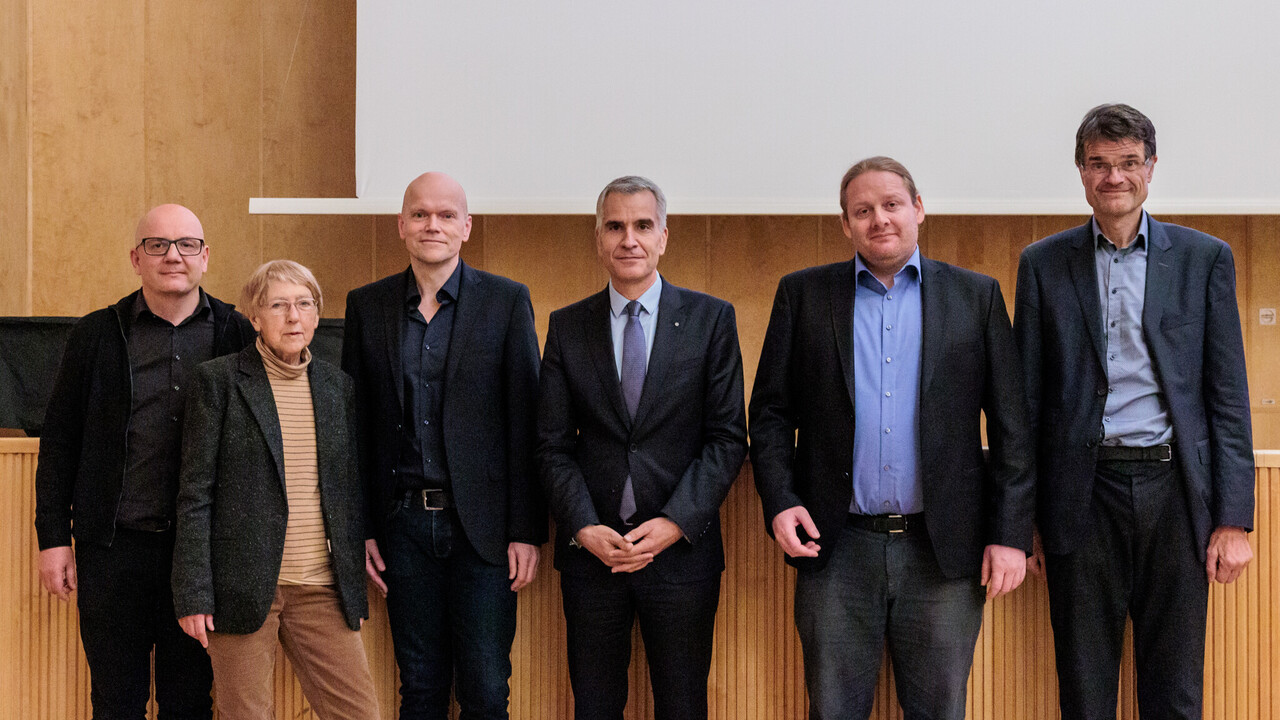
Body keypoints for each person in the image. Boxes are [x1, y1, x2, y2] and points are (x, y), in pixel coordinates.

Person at [749, 157, 1034, 720]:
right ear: (845, 224)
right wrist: (780, 502)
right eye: (863, 210)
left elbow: (1011, 429)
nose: (879, 219)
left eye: (891, 205)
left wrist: (1010, 535)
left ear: (918, 209)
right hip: (835, 547)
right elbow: (771, 414)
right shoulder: (802, 296)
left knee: (939, 711)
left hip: (943, 552)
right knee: (833, 710)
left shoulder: (975, 297)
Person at [1014, 103, 1254, 719]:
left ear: (1151, 167)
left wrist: (1233, 520)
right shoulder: (1042, 264)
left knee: (1174, 688)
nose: (1113, 177)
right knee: (1085, 688)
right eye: (1099, 164)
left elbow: (1226, 397)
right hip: (1081, 495)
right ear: (1080, 170)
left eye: (1127, 163)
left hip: (1176, 493)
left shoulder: (1205, 259)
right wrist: (1024, 523)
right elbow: (1027, 405)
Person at [537, 175, 748, 720]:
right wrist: (583, 528)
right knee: (595, 706)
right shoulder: (566, 326)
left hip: (680, 554)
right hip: (593, 554)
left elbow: (727, 438)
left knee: (682, 705)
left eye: (642, 225)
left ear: (663, 237)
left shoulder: (711, 319)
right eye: (615, 226)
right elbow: (552, 445)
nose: (628, 238)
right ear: (598, 238)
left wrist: (675, 522)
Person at [33, 204, 255, 718]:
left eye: (186, 244)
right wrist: (52, 539)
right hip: (113, 550)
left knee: (190, 699)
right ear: (136, 258)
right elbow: (60, 442)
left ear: (206, 256)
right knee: (116, 699)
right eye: (157, 245)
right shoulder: (95, 335)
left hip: (200, 556)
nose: (172, 255)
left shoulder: (237, 334)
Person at [342, 172, 545, 719]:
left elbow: (527, 421)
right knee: (421, 688)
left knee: (485, 689)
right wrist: (360, 526)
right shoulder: (368, 306)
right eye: (421, 214)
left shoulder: (506, 302)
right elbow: (354, 429)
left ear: (466, 228)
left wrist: (527, 529)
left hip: (483, 532)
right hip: (402, 528)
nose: (433, 224)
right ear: (401, 225)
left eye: (447, 215)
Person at [172, 260, 378, 720]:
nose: (293, 317)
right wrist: (193, 593)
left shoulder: (336, 387)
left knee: (359, 713)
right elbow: (195, 495)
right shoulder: (218, 382)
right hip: (241, 587)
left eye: (304, 304)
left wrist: (353, 590)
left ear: (317, 315)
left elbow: (345, 492)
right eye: (279, 305)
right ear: (255, 317)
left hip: (322, 587)